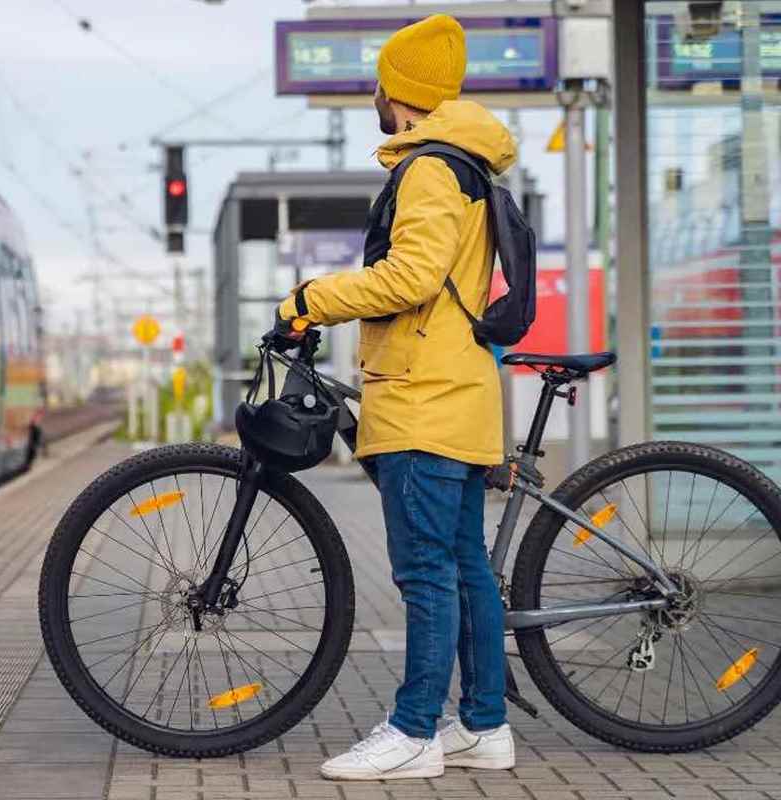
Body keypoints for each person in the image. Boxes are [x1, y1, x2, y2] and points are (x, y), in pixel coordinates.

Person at [274, 13, 517, 781]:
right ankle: (484, 725)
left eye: (381, 84)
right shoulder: (465, 164)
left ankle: (414, 731)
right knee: (463, 566)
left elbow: (410, 277)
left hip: (424, 397)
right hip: (457, 391)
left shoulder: (428, 169)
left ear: (400, 94)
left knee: (425, 574)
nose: (374, 96)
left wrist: (310, 299)